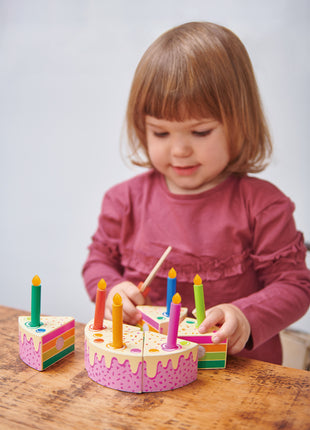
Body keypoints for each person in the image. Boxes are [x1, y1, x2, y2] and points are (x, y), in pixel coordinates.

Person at [82, 22, 310, 364]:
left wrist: (245, 315)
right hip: (145, 370)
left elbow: (294, 287)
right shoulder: (123, 202)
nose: (179, 150)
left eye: (200, 132)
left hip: (237, 379)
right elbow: (98, 262)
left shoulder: (264, 207)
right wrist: (113, 289)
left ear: (240, 123)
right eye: (160, 133)